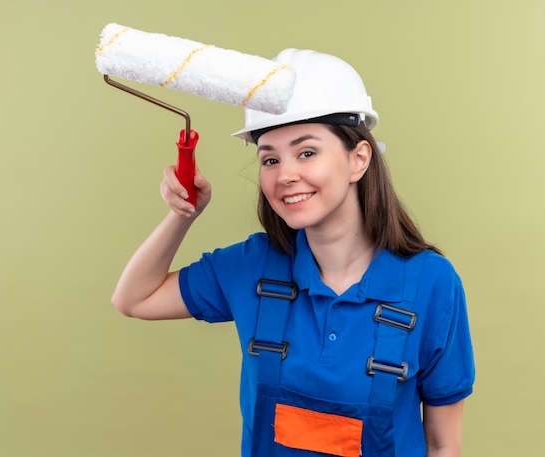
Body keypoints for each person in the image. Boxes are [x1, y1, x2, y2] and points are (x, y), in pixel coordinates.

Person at [111, 48, 475, 457]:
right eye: (270, 158)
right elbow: (134, 298)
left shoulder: (431, 283)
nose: (285, 175)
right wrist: (182, 215)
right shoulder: (253, 266)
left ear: (358, 159)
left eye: (306, 152)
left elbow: (444, 444)